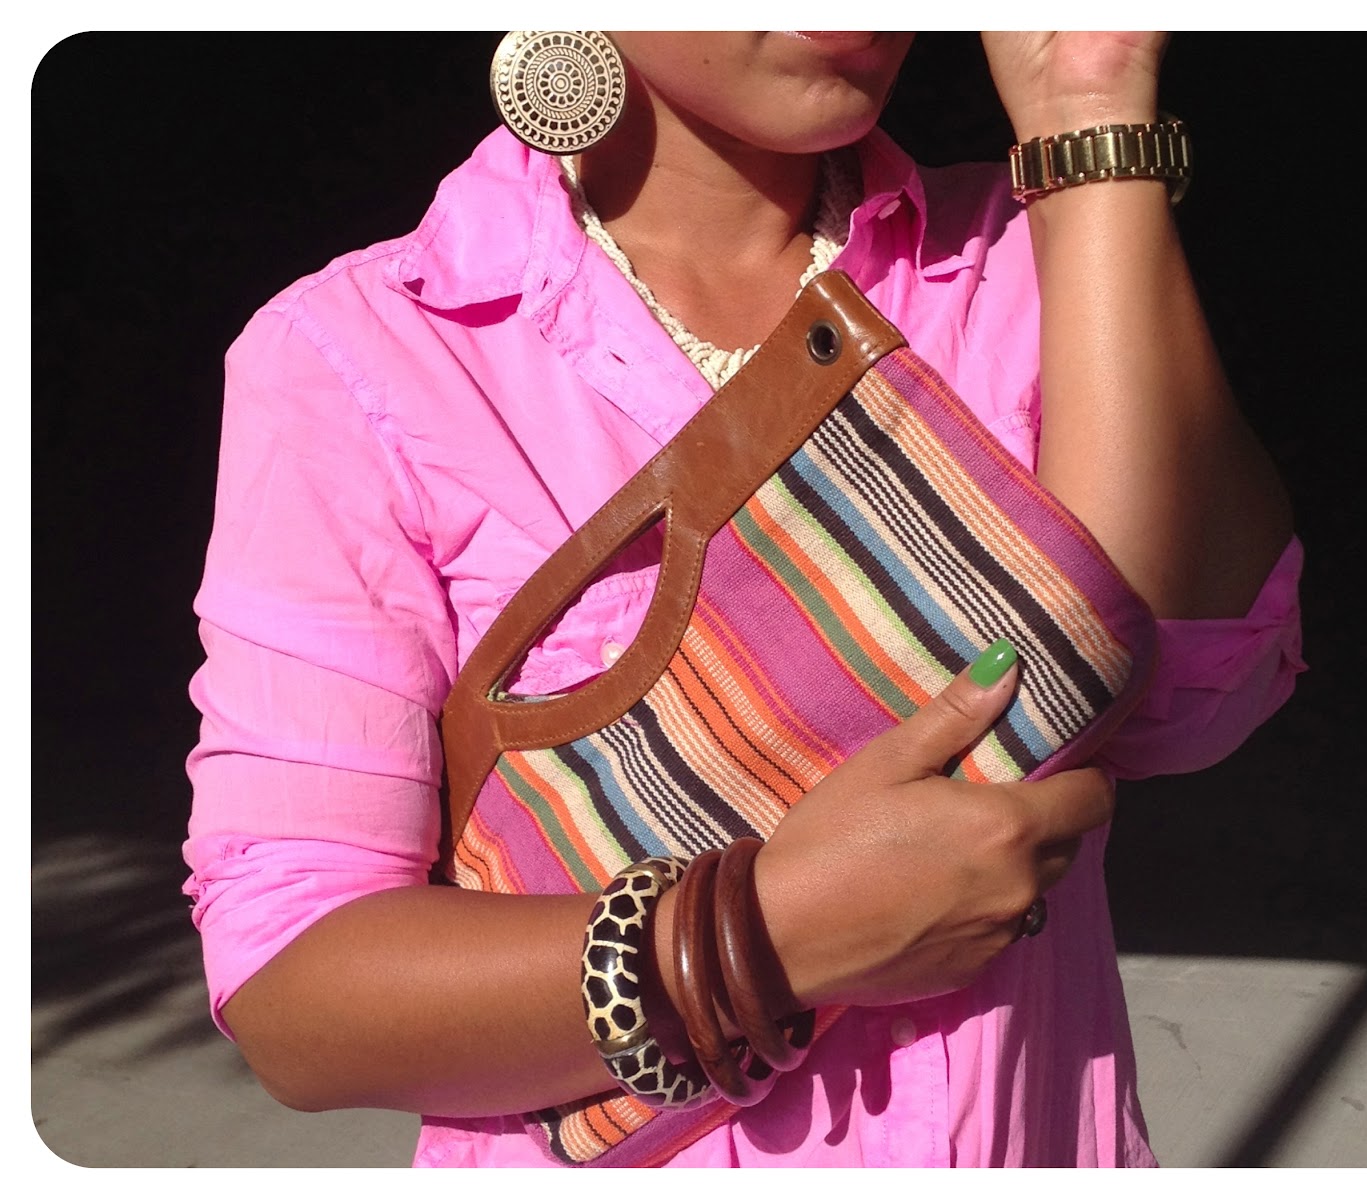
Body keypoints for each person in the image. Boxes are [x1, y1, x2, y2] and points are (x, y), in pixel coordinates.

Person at [183, 31, 1304, 1167]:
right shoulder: (367, 357)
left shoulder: (1029, 252)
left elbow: (1185, 696)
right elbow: (296, 992)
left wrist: (1087, 113)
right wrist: (770, 934)